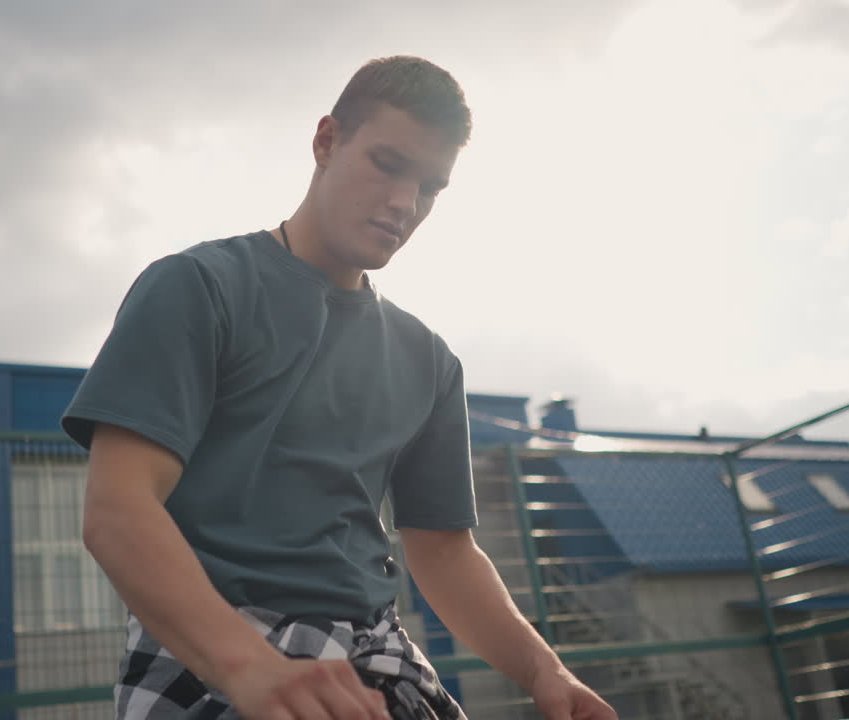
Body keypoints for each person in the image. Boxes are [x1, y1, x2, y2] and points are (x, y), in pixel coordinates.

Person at [63, 55, 617, 720]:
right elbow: (117, 510)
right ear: (326, 141)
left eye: (431, 187)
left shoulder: (430, 361)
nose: (405, 203)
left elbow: (443, 549)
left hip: (378, 656)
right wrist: (256, 670)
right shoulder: (198, 287)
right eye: (388, 163)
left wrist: (543, 670)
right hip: (211, 656)